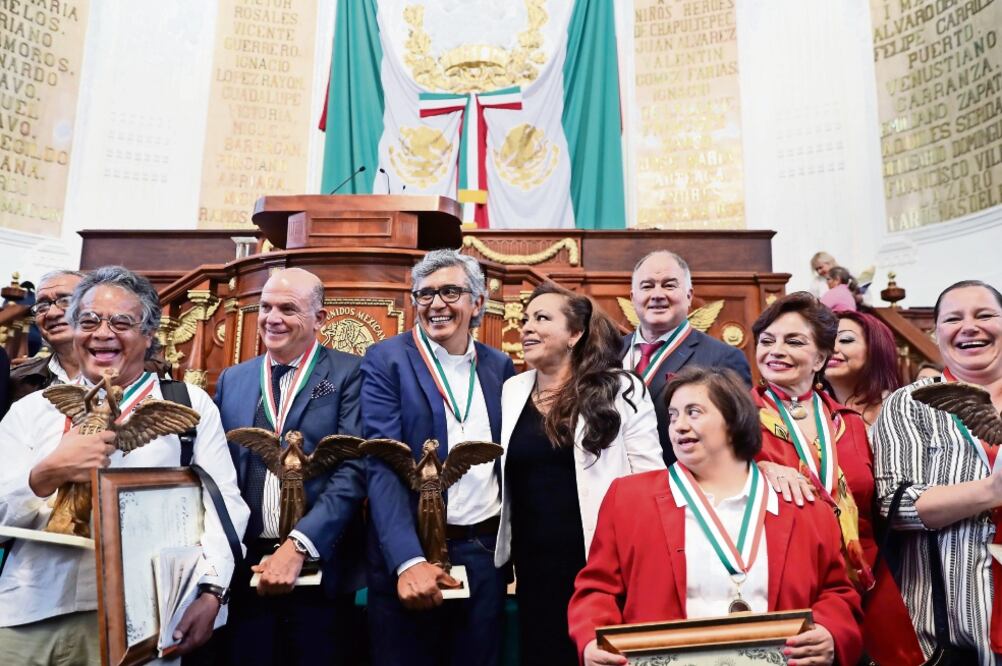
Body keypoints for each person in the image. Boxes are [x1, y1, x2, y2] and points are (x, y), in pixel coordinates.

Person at [0, 266, 249, 665]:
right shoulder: (32, 410)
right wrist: (46, 473)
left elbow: (224, 509)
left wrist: (213, 591)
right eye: (89, 321)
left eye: (121, 322)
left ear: (149, 334)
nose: (102, 333)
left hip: (141, 617)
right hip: (32, 607)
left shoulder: (188, 404)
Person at [568, 367, 863, 666]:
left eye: (693, 412)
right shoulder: (628, 499)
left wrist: (830, 632)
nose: (678, 425)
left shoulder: (801, 505)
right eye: (672, 415)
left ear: (734, 420)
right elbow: (598, 590)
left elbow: (837, 592)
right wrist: (592, 640)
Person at [750, 291, 923, 664]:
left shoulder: (850, 423)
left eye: (793, 341)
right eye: (767, 341)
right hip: (783, 589)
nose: (776, 351)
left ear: (821, 357)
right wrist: (757, 469)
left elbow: (872, 508)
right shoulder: (737, 416)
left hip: (866, 585)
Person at [361, 249, 515, 666]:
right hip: (413, 556)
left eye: (450, 291)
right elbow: (383, 464)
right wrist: (408, 561)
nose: (436, 304)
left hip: (483, 556)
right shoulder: (387, 360)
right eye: (424, 294)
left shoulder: (500, 367)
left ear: (477, 302)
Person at [495, 282, 663, 665]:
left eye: (541, 318)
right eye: (525, 320)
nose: (526, 328)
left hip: (599, 561)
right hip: (533, 565)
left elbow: (649, 480)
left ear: (575, 333)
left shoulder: (621, 389)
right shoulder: (512, 389)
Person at [214, 267, 365, 666]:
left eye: (288, 308)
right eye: (265, 307)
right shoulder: (234, 379)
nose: (272, 318)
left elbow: (353, 469)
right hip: (246, 568)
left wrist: (299, 545)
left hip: (322, 567)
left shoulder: (351, 373)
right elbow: (219, 474)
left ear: (319, 319)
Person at [873, 280, 1002, 664]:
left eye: (985, 315)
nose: (969, 326)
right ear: (937, 333)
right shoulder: (911, 403)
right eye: (953, 319)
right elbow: (894, 505)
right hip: (949, 636)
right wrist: (992, 491)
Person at [622, 250, 751, 464]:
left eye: (669, 285)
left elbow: (738, 437)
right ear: (633, 297)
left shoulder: (723, 358)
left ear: (689, 296)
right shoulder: (605, 353)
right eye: (647, 286)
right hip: (610, 486)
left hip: (684, 487)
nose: (657, 294)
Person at [8, 270, 87, 402]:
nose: (51, 313)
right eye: (42, 306)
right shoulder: (17, 380)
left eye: (66, 300)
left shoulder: (124, 376)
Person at [825, 310, 902, 426]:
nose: (831, 348)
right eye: (825, 342)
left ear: (875, 348)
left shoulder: (901, 409)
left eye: (845, 340)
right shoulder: (809, 412)